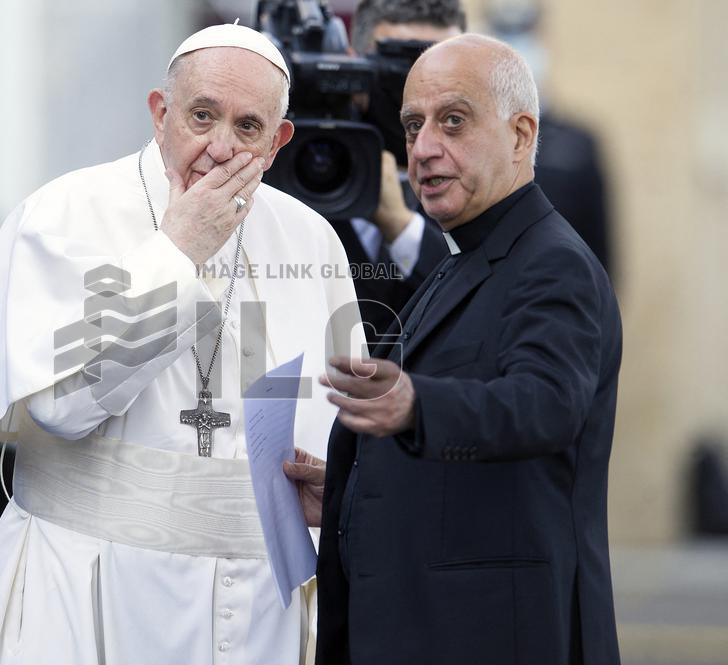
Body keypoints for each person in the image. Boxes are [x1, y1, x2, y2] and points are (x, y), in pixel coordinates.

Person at [0, 22, 364, 665]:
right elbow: (64, 405)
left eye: (248, 128)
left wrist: (339, 489)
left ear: (278, 143)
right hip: (89, 597)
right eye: (202, 116)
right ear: (161, 114)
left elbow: (332, 423)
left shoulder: (310, 240)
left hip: (258, 617)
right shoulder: (66, 213)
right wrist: (177, 252)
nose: (220, 148)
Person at [285, 34, 623, 664]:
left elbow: (546, 405)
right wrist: (355, 488)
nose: (425, 149)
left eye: (454, 122)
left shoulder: (552, 264)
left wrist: (414, 405)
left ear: (521, 135)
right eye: (413, 126)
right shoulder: (462, 258)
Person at [334, 0, 466, 349]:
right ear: (353, 65)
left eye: (444, 72)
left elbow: (493, 299)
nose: (418, 93)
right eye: (398, 70)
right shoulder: (301, 163)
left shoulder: (491, 175)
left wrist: (401, 227)